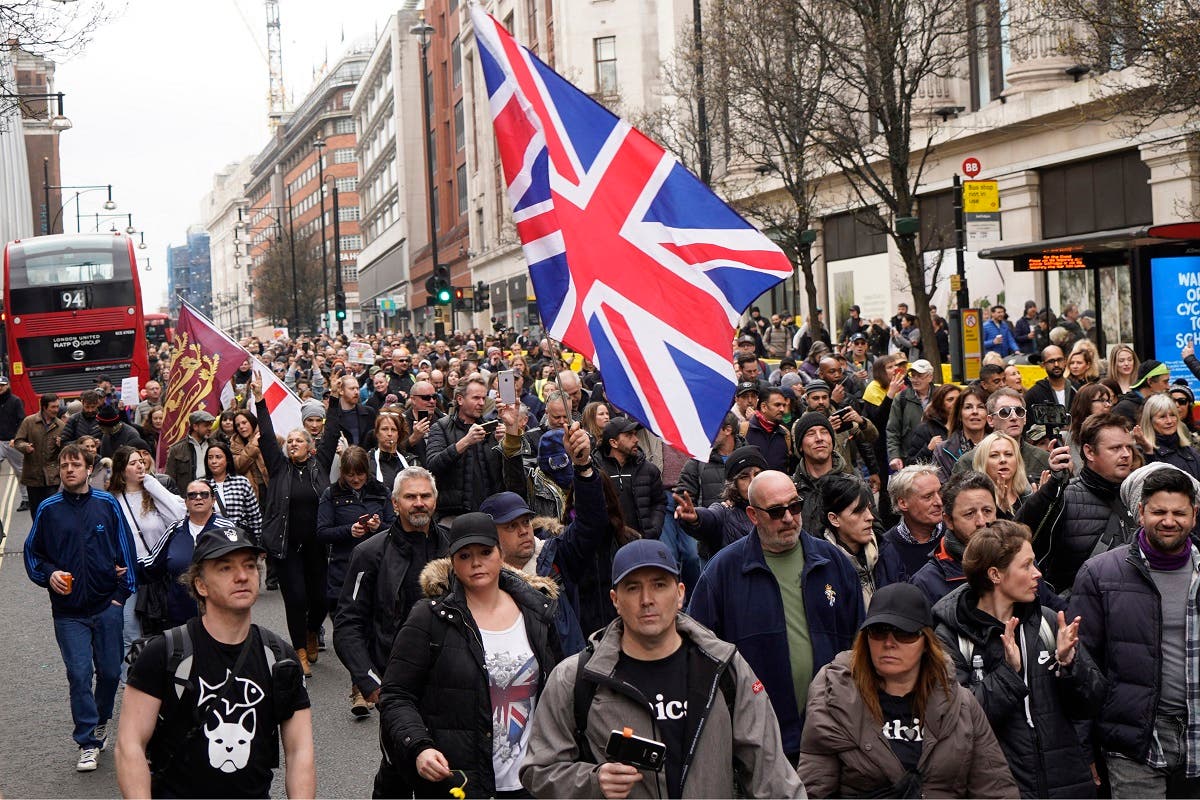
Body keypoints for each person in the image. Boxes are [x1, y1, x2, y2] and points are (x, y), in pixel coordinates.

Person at [520, 539, 803, 798]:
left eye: (659, 584)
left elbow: (771, 774)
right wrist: (593, 781)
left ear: (680, 594)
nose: (647, 600)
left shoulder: (724, 667)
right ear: (615, 600)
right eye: (632, 588)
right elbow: (539, 771)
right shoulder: (577, 678)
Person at [115, 526, 315, 799]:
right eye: (225, 568)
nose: (242, 576)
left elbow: (300, 750)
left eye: (249, 566)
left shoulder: (280, 657)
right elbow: (130, 745)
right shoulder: (164, 653)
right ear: (200, 585)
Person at [376, 513, 562, 798]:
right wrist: (420, 747)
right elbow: (396, 694)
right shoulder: (430, 618)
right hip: (461, 783)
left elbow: (559, 690)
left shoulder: (537, 612)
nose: (476, 562)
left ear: (500, 554)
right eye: (465, 555)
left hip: (533, 783)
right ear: (452, 561)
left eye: (486, 552)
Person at [689, 470, 864, 760]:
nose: (788, 518)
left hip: (833, 734)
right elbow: (700, 652)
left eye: (794, 507)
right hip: (761, 742)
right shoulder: (723, 572)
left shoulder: (833, 562)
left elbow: (859, 639)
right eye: (775, 511)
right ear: (752, 515)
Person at [931, 520, 1103, 799]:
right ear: (995, 574)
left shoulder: (1047, 621)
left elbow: (1091, 704)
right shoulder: (951, 636)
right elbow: (955, 720)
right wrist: (1008, 674)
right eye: (1026, 566)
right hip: (998, 785)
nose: (1037, 574)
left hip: (1066, 781)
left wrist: (1070, 665)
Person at [798, 582, 1019, 798]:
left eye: (904, 633)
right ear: (865, 639)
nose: (889, 643)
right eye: (878, 631)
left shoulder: (961, 703)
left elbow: (995, 789)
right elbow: (813, 791)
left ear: (926, 642)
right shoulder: (834, 699)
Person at [1069, 466, 1200, 797]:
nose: (1169, 521)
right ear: (1140, 512)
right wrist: (1084, 748)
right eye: (1158, 511)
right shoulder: (1100, 574)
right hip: (1134, 743)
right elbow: (1083, 667)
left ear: (1194, 516)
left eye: (1178, 513)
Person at [23, 443, 138, 772]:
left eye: (75, 465)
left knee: (111, 672)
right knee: (78, 674)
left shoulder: (106, 505)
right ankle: (88, 741)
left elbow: (125, 553)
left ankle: (101, 720)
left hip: (106, 606)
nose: (69, 470)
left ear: (89, 469)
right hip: (69, 612)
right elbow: (34, 554)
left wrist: (120, 598)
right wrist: (49, 574)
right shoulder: (48, 509)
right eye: (63, 465)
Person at [251, 376, 338, 677]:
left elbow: (334, 430)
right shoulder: (278, 467)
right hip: (287, 546)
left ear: (311, 447)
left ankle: (313, 630)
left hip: (318, 544)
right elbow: (265, 437)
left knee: (321, 599)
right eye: (290, 441)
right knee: (296, 598)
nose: (293, 444)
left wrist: (335, 400)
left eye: (299, 441)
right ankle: (300, 649)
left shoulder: (320, 465)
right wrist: (260, 401)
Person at [315, 445, 394, 716]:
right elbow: (322, 532)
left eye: (359, 474)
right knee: (350, 631)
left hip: (375, 570)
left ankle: (369, 686)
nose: (355, 479)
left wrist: (377, 527)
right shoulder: (331, 495)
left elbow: (394, 527)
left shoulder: (380, 492)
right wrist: (349, 530)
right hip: (343, 571)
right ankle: (360, 688)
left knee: (372, 629)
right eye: (350, 474)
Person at [1018, 413, 1137, 594]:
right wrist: (1052, 487)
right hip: (1075, 612)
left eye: (1129, 447)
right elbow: (1020, 533)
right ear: (1089, 452)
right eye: (1115, 448)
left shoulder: (1139, 497)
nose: (1126, 454)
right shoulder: (1064, 495)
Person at [109, 446, 186, 652]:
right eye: (133, 463)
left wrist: (151, 483)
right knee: (129, 633)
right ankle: (131, 682)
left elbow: (179, 516)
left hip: (159, 572)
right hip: (129, 574)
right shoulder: (111, 500)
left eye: (141, 462)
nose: (140, 466)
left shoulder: (154, 492)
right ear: (122, 470)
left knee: (165, 631)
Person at [425, 375, 525, 520]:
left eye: (484, 398)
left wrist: (510, 433)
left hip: (492, 514)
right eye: (476, 398)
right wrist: (465, 442)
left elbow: (514, 480)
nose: (481, 403)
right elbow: (433, 465)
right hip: (454, 516)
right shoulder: (441, 427)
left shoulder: (493, 429)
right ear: (460, 399)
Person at [910, 470, 1000, 604]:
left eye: (987, 511)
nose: (981, 522)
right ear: (949, 521)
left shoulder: (1018, 561)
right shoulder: (926, 582)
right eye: (970, 514)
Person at [819, 474, 902, 606]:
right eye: (858, 511)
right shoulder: (822, 568)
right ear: (834, 519)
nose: (870, 517)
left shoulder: (886, 550)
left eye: (869, 509)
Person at [674, 444, 763, 560]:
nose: (753, 481)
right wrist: (696, 518)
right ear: (734, 484)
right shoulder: (725, 512)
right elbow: (711, 517)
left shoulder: (780, 507)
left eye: (757, 474)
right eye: (744, 477)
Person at [597, 417, 665, 539]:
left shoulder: (649, 470)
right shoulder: (598, 473)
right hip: (610, 547)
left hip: (644, 543)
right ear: (613, 442)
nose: (636, 439)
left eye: (635, 434)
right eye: (629, 436)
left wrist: (653, 529)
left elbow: (659, 502)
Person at [14, 391, 65, 515]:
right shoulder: (29, 422)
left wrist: (62, 445)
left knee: (52, 510)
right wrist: (25, 447)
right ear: (44, 407)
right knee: (36, 511)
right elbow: (18, 441)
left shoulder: (61, 425)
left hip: (52, 477)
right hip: (33, 475)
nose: (56, 410)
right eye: (53, 407)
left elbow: (66, 450)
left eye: (57, 406)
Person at [204, 441, 264, 545]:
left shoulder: (242, 482)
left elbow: (254, 517)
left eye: (218, 457)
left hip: (239, 540)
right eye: (210, 457)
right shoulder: (201, 485)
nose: (213, 461)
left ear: (227, 460)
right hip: (212, 541)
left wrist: (257, 544)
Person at [886, 359, 937, 472]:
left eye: (920, 376)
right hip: (910, 459)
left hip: (937, 456)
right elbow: (892, 430)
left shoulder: (940, 396)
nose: (915, 380)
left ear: (930, 377)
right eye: (913, 376)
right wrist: (894, 456)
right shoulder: (902, 398)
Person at [932, 385, 989, 482]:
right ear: (959, 414)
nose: (975, 412)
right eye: (968, 407)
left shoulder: (999, 446)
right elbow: (943, 489)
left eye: (980, 407)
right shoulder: (942, 451)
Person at [1140, 392, 1200, 481]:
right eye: (1162, 417)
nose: (1169, 421)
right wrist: (1149, 454)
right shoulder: (1142, 453)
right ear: (1150, 421)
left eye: (1173, 415)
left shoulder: (1190, 452)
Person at [903, 383, 959, 465]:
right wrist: (928, 449)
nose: (956, 403)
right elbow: (910, 464)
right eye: (950, 400)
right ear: (940, 403)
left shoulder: (966, 426)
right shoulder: (925, 429)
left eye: (958, 399)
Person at [165, 410, 218, 496]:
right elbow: (170, 479)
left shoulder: (215, 445)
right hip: (188, 497)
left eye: (210, 425)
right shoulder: (176, 449)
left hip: (213, 494)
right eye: (206, 425)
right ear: (195, 427)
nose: (210, 428)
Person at [743, 386, 793, 472]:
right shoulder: (744, 430)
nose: (782, 409)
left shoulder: (785, 434)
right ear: (763, 407)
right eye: (777, 405)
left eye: (783, 405)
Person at [0, 374, 30, 511]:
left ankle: (26, 499)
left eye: (2, 385)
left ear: (7, 386)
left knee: (20, 471)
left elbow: (22, 420)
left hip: (12, 441)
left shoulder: (15, 401)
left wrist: (16, 438)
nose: (0, 388)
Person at [1113, 359, 1171, 424]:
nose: (1168, 387)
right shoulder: (1123, 409)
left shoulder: (1162, 404)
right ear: (1150, 382)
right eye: (1165, 382)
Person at [1024, 346, 1076, 411]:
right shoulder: (1034, 394)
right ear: (1043, 365)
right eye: (1051, 361)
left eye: (1059, 360)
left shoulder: (1077, 389)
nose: (1056, 364)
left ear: (1065, 361)